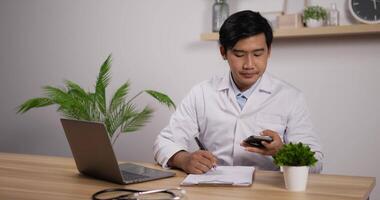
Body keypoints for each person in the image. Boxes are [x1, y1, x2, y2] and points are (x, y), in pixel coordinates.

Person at [153, 10, 323, 174]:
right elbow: (165, 142)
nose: (249, 64)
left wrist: (281, 151)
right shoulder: (202, 93)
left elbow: (316, 162)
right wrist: (184, 159)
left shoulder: (290, 97)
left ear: (269, 51)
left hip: (268, 191)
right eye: (239, 54)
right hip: (214, 189)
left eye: (257, 54)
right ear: (223, 53)